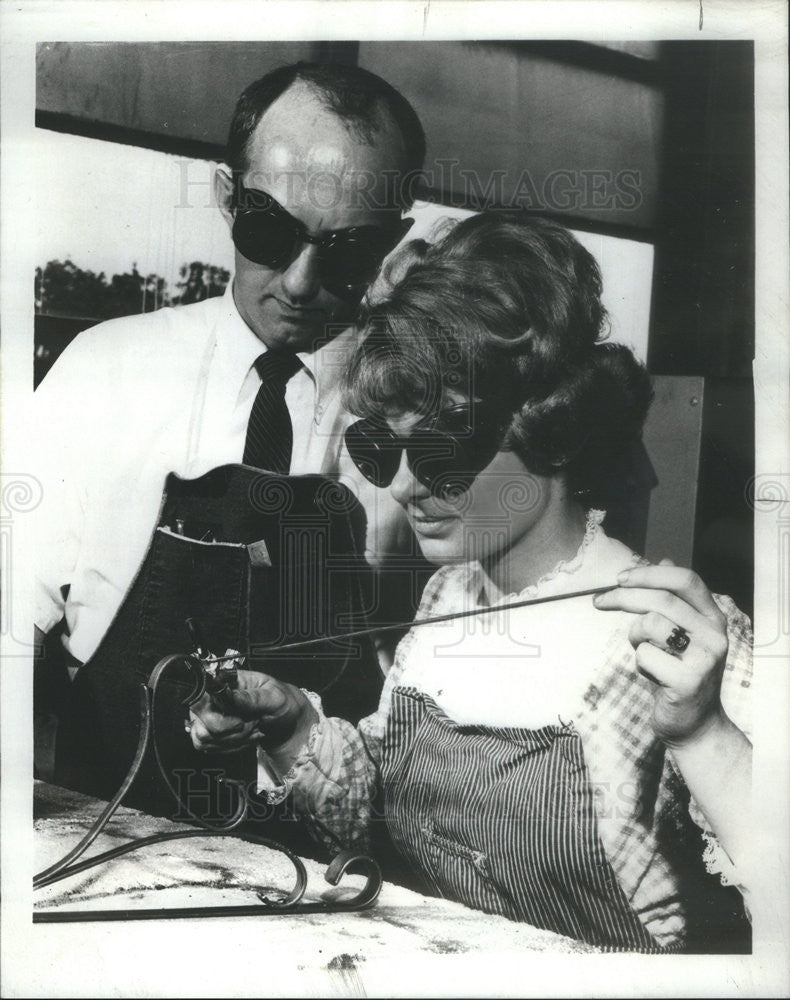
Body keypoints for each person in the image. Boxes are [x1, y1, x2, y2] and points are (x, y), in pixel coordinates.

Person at [188, 212, 753, 952]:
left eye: (442, 445)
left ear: (551, 424)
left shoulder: (683, 637)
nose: (406, 487)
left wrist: (708, 735)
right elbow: (378, 830)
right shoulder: (446, 597)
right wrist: (292, 725)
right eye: (382, 450)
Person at [34, 61, 425, 685]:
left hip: (336, 770)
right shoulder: (104, 369)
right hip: (112, 767)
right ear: (226, 197)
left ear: (392, 241)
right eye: (271, 231)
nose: (300, 284)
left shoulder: (419, 411)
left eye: (348, 250)